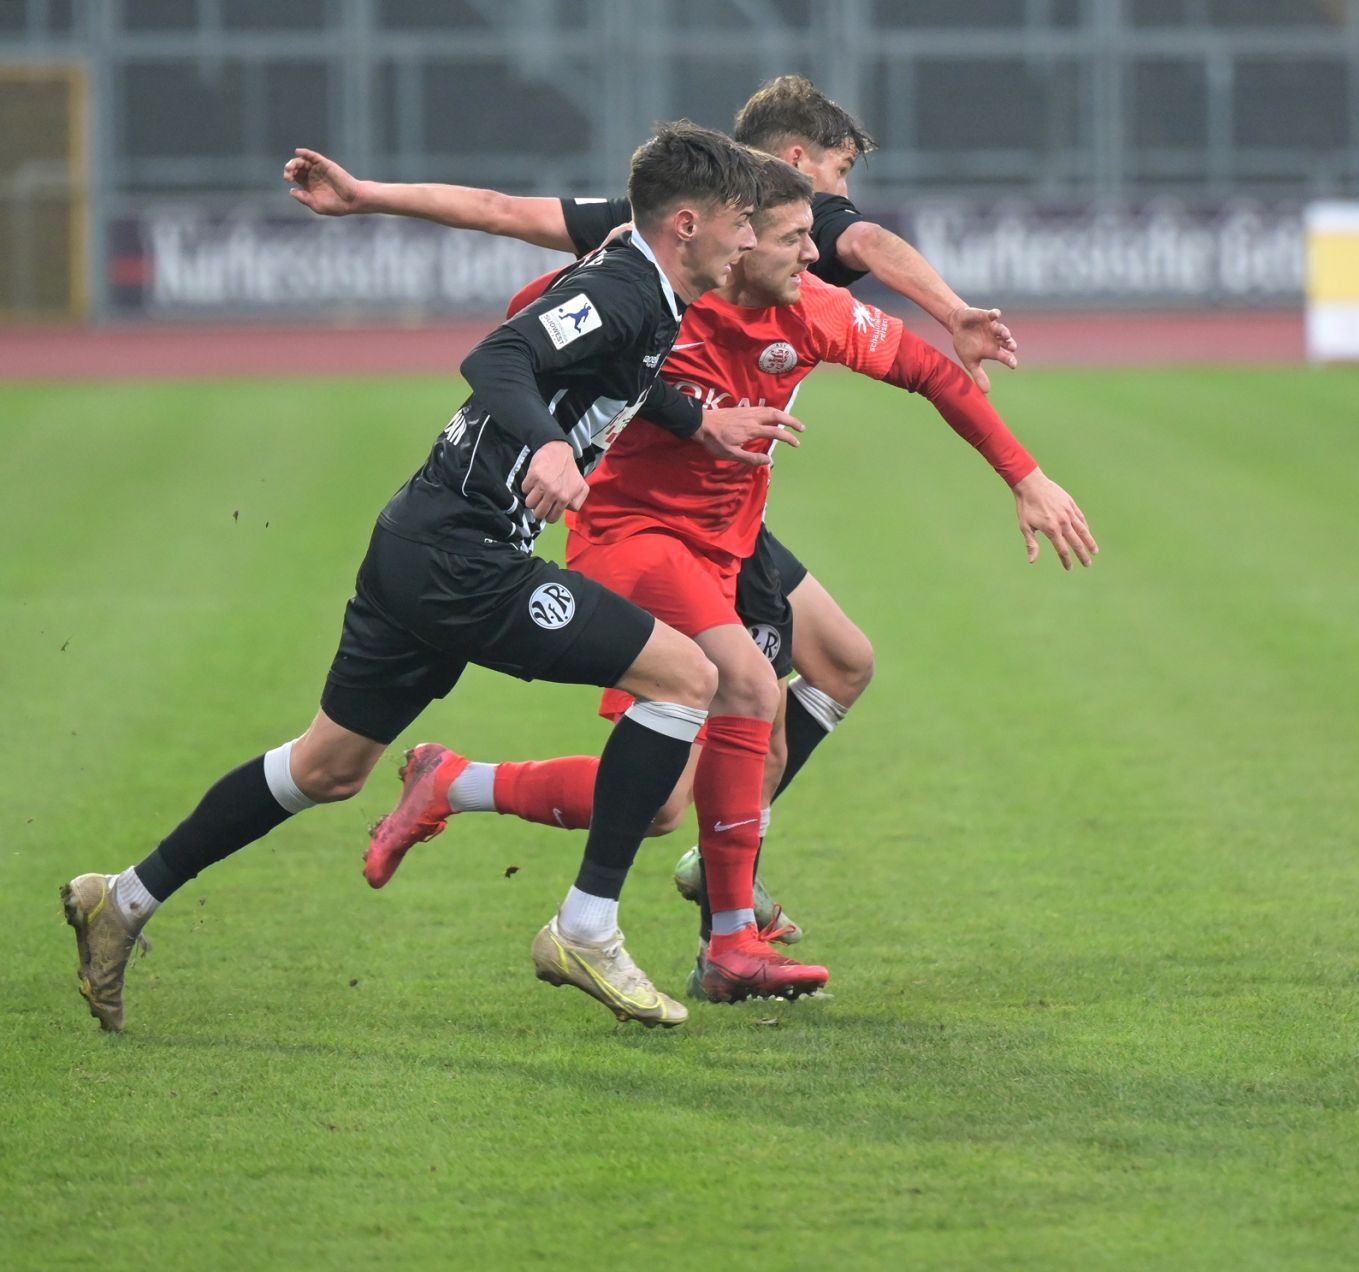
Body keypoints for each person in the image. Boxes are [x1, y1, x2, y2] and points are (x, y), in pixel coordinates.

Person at [61, 122, 798, 1033]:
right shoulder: (622, 287)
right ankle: (586, 929)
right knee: (690, 675)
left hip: (419, 539)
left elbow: (616, 376)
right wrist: (551, 444)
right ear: (688, 223)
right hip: (465, 553)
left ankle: (122, 901)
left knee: (327, 768)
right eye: (739, 222)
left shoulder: (647, 283)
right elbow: (498, 358)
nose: (751, 240)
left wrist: (698, 423)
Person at [283, 75, 1025, 934]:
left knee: (838, 664)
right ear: (792, 164)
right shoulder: (680, 229)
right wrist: (368, 196)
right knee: (720, 740)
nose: (836, 209)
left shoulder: (773, 235)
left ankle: (724, 879)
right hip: (646, 520)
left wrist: (956, 323)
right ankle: (700, 898)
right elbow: (506, 232)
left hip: (729, 523)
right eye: (841, 167)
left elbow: (503, 213)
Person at [363, 159, 1096, 1002]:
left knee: (832, 671)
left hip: (729, 544)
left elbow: (929, 373)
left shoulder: (812, 309)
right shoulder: (658, 296)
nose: (814, 256)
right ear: (736, 238)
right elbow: (527, 318)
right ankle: (723, 932)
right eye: (795, 238)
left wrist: (1025, 476)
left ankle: (482, 792)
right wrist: (653, 400)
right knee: (742, 697)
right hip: (631, 532)